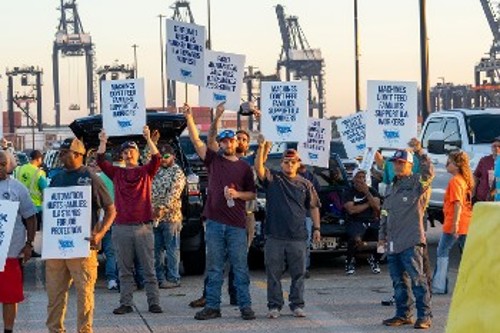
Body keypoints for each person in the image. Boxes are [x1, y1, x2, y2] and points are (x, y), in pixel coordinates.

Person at [183, 102, 257, 321]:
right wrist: (193, 118)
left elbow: (252, 194)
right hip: (214, 223)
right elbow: (199, 140)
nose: (226, 143)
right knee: (214, 269)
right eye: (223, 141)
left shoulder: (244, 167)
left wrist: (237, 195)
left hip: (236, 224)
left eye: (230, 140)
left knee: (240, 268)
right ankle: (213, 306)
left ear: (235, 143)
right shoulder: (213, 160)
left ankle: (245, 306)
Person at [45, 138, 116, 333]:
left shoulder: (91, 177)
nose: (60, 155)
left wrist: (100, 233)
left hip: (83, 248)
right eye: (60, 152)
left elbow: (111, 210)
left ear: (77, 154)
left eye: (64, 152)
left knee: (84, 296)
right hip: (57, 250)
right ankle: (55, 330)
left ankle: (84, 330)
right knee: (54, 296)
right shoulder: (57, 178)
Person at [97, 126, 163, 315]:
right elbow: (101, 161)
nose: (128, 154)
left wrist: (149, 139)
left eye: (131, 151)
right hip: (122, 227)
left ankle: (154, 302)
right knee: (124, 269)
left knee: (149, 268)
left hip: (143, 226)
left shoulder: (145, 172)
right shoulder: (117, 174)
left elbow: (157, 158)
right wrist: (102, 141)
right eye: (125, 152)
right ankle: (126, 302)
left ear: (137, 154)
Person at [254, 136, 321, 319]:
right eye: (286, 161)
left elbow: (314, 206)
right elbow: (259, 169)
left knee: (299, 274)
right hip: (275, 235)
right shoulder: (274, 178)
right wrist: (261, 148)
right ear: (281, 163)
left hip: (298, 236)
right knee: (273, 273)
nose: (289, 164)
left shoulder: (306, 184)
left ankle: (297, 305)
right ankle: (274, 305)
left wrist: (317, 228)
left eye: (293, 161)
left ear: (299, 163)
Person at [378, 149, 434, 330]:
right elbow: (384, 214)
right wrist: (381, 238)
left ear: (410, 165)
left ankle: (424, 316)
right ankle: (403, 314)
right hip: (393, 242)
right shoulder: (390, 186)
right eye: (395, 162)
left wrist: (420, 152)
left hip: (411, 241)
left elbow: (429, 173)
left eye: (401, 163)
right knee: (398, 282)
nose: (397, 165)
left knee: (418, 280)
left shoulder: (417, 182)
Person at [0, 150, 37, 333]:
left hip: (10, 253)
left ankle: (8, 330)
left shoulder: (17, 188)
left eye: (1, 164)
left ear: (8, 166)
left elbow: (30, 217)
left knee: (9, 296)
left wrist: (29, 243)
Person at [432, 151, 473, 294]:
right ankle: (471, 284)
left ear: (457, 165)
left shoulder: (455, 181)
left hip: (455, 222)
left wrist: (455, 224)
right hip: (466, 221)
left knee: (442, 251)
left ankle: (439, 285)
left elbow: (457, 203)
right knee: (467, 254)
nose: (446, 165)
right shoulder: (464, 180)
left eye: (449, 162)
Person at [152, 145, 186, 289]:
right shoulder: (156, 170)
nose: (163, 160)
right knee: (156, 250)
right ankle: (159, 278)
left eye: (166, 156)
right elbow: (147, 158)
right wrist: (151, 141)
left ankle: (173, 278)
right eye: (161, 157)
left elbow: (174, 194)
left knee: (172, 249)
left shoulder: (177, 173)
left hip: (171, 218)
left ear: (173, 157)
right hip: (154, 218)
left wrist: (162, 209)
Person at [87, 154, 119, 291]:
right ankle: (113, 279)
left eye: (93, 165)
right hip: (114, 218)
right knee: (112, 251)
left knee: (93, 251)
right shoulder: (115, 177)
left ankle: (91, 279)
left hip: (98, 220)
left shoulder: (94, 180)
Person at [343, 168, 382, 275]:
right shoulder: (349, 192)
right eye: (359, 177)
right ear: (354, 179)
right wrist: (368, 204)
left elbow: (377, 208)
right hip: (355, 221)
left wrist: (367, 193)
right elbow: (352, 210)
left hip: (371, 220)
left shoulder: (372, 191)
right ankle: (349, 261)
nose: (361, 180)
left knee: (384, 241)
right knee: (355, 239)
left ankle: (374, 258)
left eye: (363, 177)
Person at [15, 150, 48, 232]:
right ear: (39, 159)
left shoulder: (19, 169)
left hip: (19, 208)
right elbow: (46, 191)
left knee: (21, 233)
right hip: (35, 208)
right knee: (34, 235)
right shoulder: (40, 173)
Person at [297, 164, 321, 278]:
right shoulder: (287, 177)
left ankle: (304, 268)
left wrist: (317, 228)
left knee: (305, 243)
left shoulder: (311, 178)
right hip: (290, 216)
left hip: (306, 215)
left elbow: (314, 204)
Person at [473, 136, 500, 202]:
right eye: (494, 146)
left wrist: (491, 194)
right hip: (482, 198)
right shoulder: (484, 160)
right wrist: (472, 193)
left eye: (499, 146)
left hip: (496, 200)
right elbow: (475, 177)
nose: (496, 148)